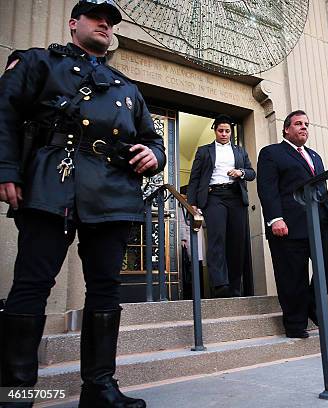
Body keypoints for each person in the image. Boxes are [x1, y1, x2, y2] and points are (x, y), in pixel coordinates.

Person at [0, 1, 166, 407]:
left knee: (106, 288)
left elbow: (154, 138)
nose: (105, 24)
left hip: (113, 191)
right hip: (52, 184)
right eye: (96, 18)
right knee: (33, 284)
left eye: (110, 21)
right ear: (74, 24)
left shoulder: (127, 88)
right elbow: (4, 112)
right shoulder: (40, 63)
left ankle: (99, 388)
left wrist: (155, 156)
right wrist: (6, 168)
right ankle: (15, 392)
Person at [257, 110, 328, 339]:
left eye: (306, 124)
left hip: (321, 222)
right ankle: (295, 324)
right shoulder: (271, 153)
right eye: (298, 123)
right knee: (292, 275)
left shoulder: (315, 156)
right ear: (286, 129)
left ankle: (312, 304)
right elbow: (267, 188)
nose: (304, 127)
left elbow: (322, 189)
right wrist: (275, 218)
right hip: (288, 224)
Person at [186, 115, 255, 298]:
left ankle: (234, 286)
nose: (224, 134)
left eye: (227, 131)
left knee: (237, 242)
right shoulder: (203, 151)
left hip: (235, 197)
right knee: (217, 239)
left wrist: (240, 172)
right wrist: (192, 203)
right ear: (215, 130)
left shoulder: (240, 151)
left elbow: (251, 173)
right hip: (213, 196)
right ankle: (219, 284)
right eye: (220, 130)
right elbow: (194, 178)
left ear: (231, 132)